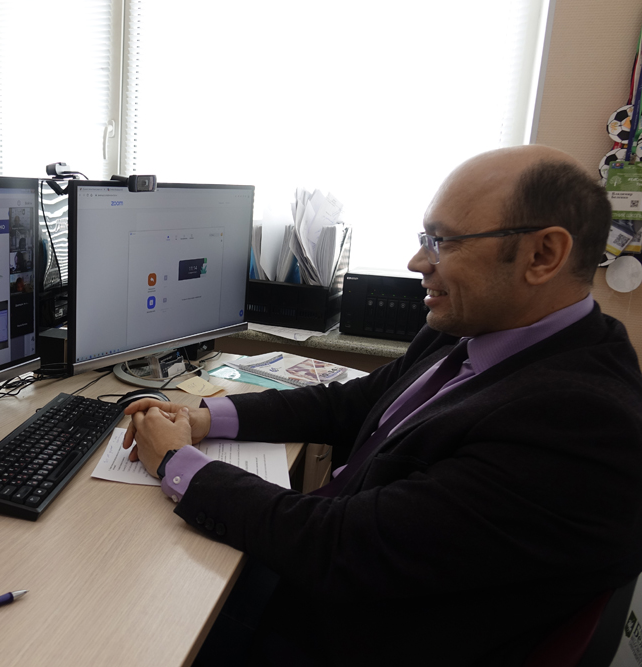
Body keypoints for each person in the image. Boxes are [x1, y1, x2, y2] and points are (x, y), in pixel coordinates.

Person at [122, 145, 642, 665]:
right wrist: (204, 418)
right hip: (327, 575)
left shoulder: (582, 424)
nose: (418, 263)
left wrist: (175, 461)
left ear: (543, 255)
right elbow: (355, 402)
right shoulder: (474, 328)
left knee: (133, 621)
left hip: (341, 631)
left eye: (443, 242)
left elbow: (342, 548)